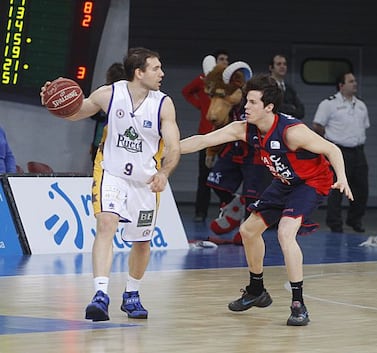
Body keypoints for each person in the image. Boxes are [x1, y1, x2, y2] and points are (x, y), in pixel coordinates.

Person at [180, 73, 353, 326]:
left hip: (310, 183)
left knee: (285, 233)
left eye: (252, 102)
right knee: (248, 230)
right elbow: (205, 140)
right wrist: (167, 147)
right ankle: (257, 290)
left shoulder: (292, 132)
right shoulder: (244, 128)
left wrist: (343, 177)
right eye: (246, 101)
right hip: (284, 183)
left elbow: (331, 149)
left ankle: (298, 303)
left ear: (268, 107)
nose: (245, 107)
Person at [40, 47, 181, 321]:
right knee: (106, 223)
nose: (162, 73)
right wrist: (53, 99)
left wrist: (164, 173)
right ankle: (100, 294)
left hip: (145, 179)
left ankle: (132, 294)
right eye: (155, 68)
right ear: (139, 73)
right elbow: (76, 112)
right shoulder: (109, 94)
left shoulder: (164, 104)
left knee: (141, 242)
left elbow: (174, 148)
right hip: (111, 172)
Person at [313, 72, 369, 233]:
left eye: (355, 81)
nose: (355, 84)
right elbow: (317, 125)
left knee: (361, 188)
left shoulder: (361, 105)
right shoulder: (329, 104)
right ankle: (335, 223)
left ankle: (355, 220)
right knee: (336, 188)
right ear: (341, 85)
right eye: (351, 81)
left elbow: (364, 126)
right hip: (338, 150)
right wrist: (327, 144)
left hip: (358, 151)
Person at [181, 49, 229, 222]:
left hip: (224, 135)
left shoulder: (228, 83)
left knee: (224, 175)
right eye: (221, 59)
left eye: (226, 60)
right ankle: (200, 212)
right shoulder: (203, 80)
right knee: (204, 176)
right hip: (205, 133)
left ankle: (230, 208)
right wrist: (200, 105)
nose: (224, 62)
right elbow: (186, 91)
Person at [89, 62, 127, 164]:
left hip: (118, 144)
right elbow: (92, 115)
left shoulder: (127, 97)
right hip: (100, 141)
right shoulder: (102, 93)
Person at [269, 54, 305, 119]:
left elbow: (301, 111)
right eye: (279, 64)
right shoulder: (266, 86)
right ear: (271, 67)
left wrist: (285, 108)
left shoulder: (289, 88)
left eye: (284, 64)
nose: (282, 66)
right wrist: (291, 108)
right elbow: (273, 108)